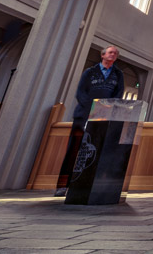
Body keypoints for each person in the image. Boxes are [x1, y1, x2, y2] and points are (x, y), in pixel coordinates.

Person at [55, 45, 125, 196]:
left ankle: (89, 186)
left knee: (98, 150)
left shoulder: (118, 74)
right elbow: (81, 92)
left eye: (115, 54)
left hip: (103, 118)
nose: (113, 55)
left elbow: (118, 94)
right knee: (74, 149)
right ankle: (63, 186)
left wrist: (106, 110)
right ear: (103, 55)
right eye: (110, 52)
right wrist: (92, 110)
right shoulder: (90, 72)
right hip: (84, 116)